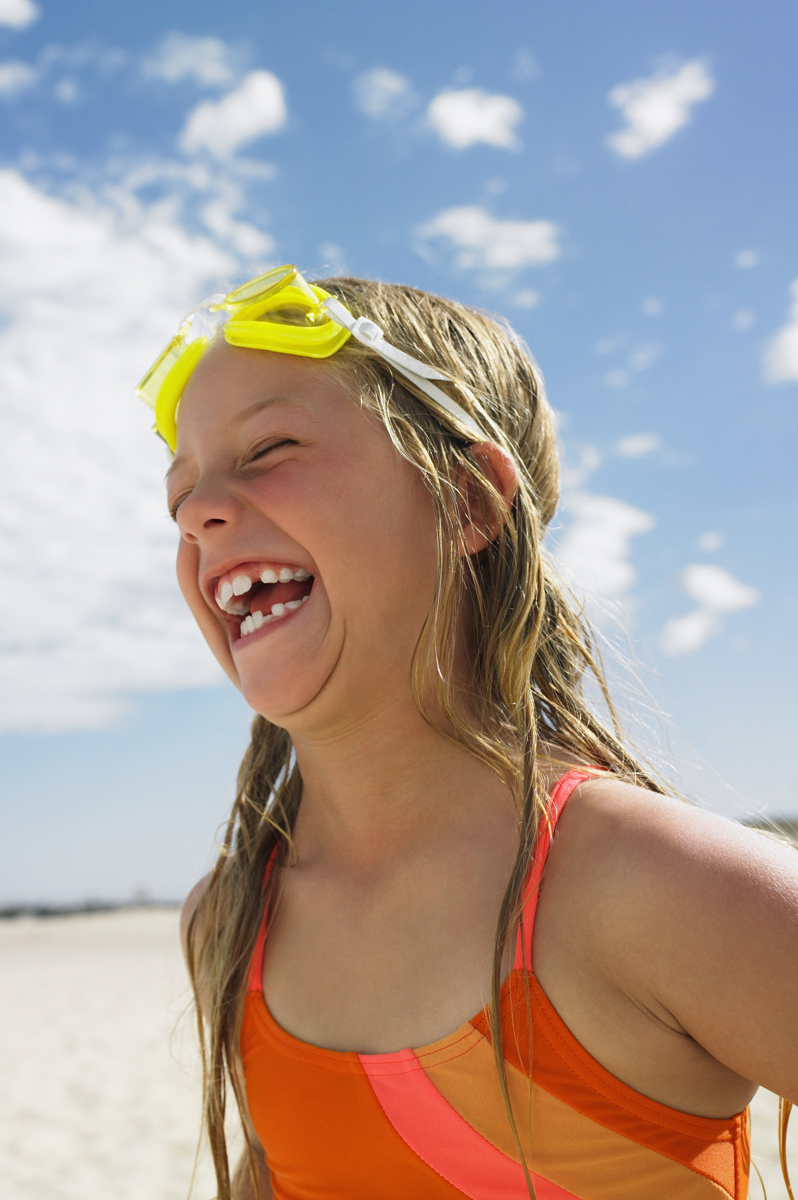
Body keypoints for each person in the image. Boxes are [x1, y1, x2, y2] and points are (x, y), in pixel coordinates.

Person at [135, 267, 798, 1200]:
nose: (201, 515)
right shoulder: (232, 922)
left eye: (270, 447)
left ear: (471, 502)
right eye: (180, 497)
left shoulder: (659, 892)